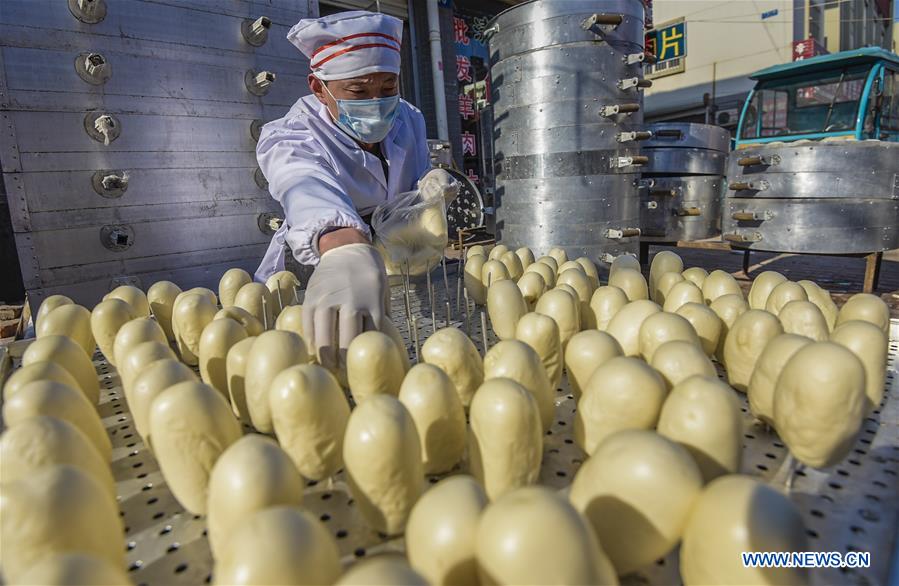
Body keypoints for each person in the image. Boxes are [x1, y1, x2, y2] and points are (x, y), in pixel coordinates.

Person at [255, 10, 454, 369]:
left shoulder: (408, 117)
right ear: (319, 88)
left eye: (388, 88)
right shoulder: (290, 135)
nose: (376, 102)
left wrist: (428, 190)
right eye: (359, 91)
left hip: (392, 261)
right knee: (328, 356)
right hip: (325, 263)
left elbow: (414, 177)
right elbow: (303, 184)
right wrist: (342, 247)